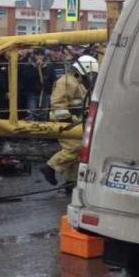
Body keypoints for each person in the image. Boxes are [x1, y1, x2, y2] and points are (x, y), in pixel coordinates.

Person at [39, 55, 98, 190]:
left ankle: (71, 182)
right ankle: (50, 167)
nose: (91, 76)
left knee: (76, 153)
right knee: (75, 147)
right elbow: (58, 103)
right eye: (91, 73)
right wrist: (66, 119)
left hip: (74, 121)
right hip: (65, 121)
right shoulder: (66, 82)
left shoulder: (76, 82)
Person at [20, 50, 54, 120]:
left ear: (44, 56)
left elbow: (52, 78)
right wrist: (37, 68)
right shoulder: (28, 65)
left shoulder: (49, 66)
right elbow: (26, 78)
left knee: (44, 113)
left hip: (45, 93)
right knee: (32, 113)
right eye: (37, 55)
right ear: (34, 55)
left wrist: (43, 68)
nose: (39, 57)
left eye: (41, 55)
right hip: (32, 93)